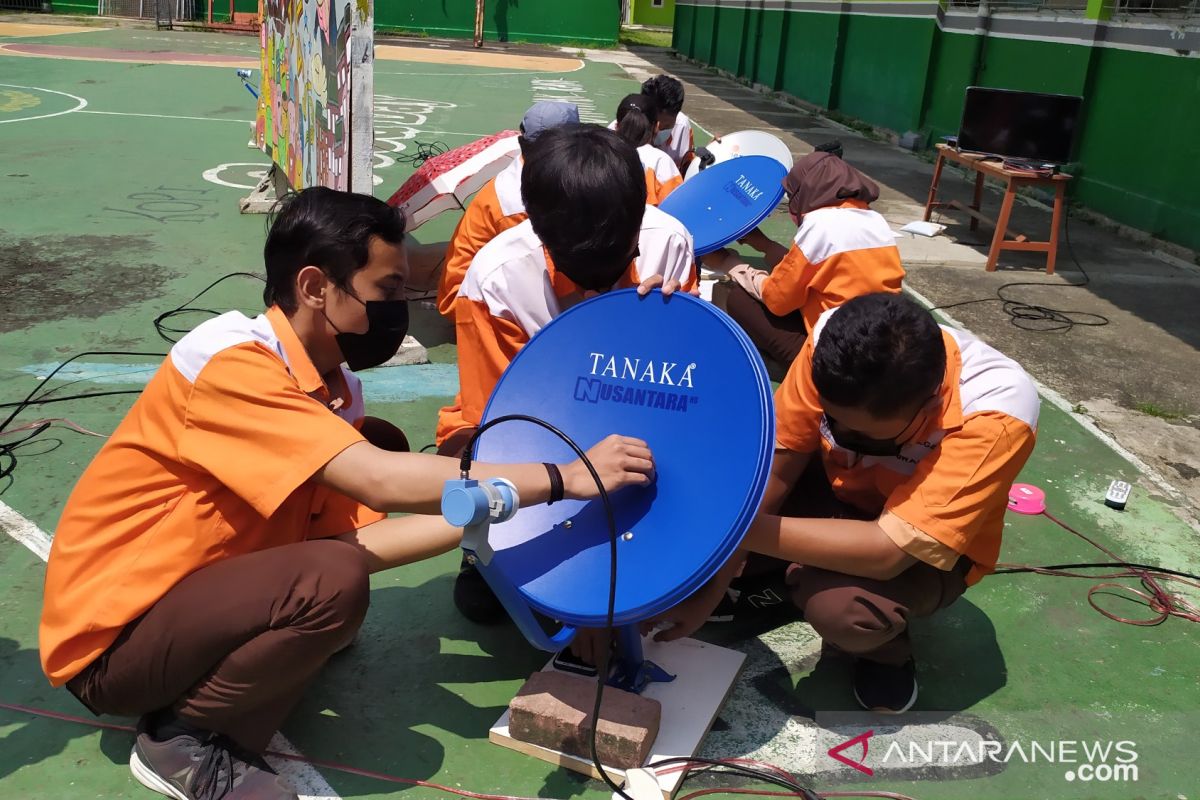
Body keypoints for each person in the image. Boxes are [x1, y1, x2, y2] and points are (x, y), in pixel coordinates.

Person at [39, 187, 656, 800]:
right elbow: (378, 480)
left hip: (191, 609)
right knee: (332, 579)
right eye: (386, 291)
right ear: (314, 286)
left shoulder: (332, 391)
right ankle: (181, 741)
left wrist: (499, 510)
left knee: (345, 545)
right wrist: (564, 476)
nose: (398, 308)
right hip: (115, 644)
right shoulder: (229, 363)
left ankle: (239, 666)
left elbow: (356, 544)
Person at [647, 293, 1039, 715]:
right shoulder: (834, 345)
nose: (845, 438)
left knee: (844, 611)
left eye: (869, 438)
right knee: (723, 479)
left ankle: (886, 652)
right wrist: (713, 584)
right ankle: (786, 575)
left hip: (917, 549)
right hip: (837, 493)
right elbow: (777, 468)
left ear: (929, 406)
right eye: (834, 424)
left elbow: (888, 551)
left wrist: (726, 530)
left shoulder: (997, 410)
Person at [437, 124, 696, 624]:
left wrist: (673, 329)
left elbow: (686, 383)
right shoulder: (496, 280)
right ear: (537, 227)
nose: (600, 282)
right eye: (582, 269)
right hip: (543, 438)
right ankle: (491, 555)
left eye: (621, 257)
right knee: (490, 600)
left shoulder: (671, 243)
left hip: (639, 425)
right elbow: (505, 426)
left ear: (639, 216)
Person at [708, 150, 904, 370]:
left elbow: (777, 299)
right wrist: (763, 244)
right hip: (881, 343)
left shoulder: (820, 224)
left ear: (803, 193)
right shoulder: (874, 221)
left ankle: (795, 368)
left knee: (739, 299)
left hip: (838, 356)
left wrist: (728, 263)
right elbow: (812, 269)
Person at [436, 101, 581, 319]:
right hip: (467, 302)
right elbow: (536, 265)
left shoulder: (529, 173)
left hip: (479, 290)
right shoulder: (517, 205)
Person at [613, 93, 683, 206]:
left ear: (616, 126)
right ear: (656, 127)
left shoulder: (600, 154)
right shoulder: (662, 163)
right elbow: (677, 208)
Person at [640, 75, 695, 172]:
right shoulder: (622, 126)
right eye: (653, 124)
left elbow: (688, 167)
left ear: (676, 115)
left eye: (665, 127)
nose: (657, 130)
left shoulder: (682, 126)